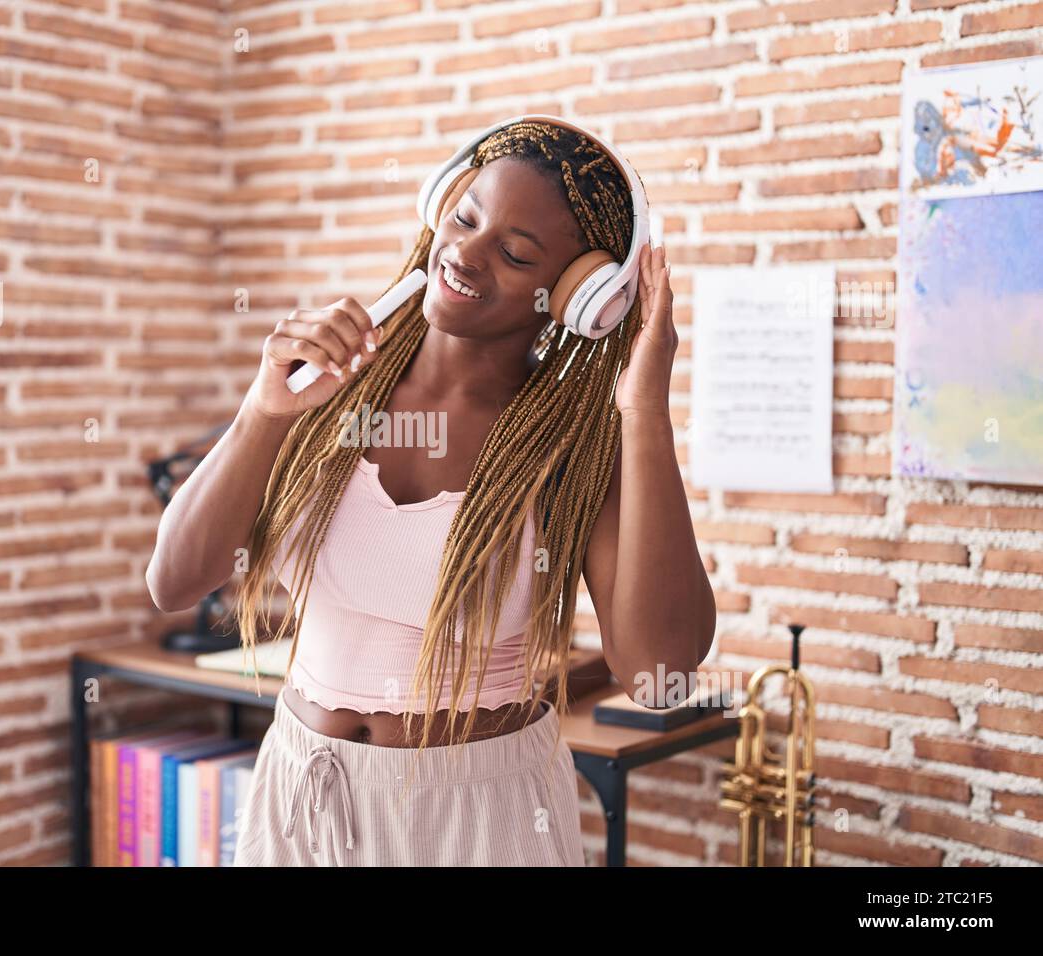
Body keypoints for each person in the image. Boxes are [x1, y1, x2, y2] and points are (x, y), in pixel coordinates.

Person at [145, 118, 716, 866]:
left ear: (578, 297)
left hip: (476, 820)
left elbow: (658, 675)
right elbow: (174, 581)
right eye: (466, 217)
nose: (466, 255)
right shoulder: (328, 381)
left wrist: (644, 411)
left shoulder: (575, 447)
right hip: (298, 796)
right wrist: (261, 412)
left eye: (515, 253)